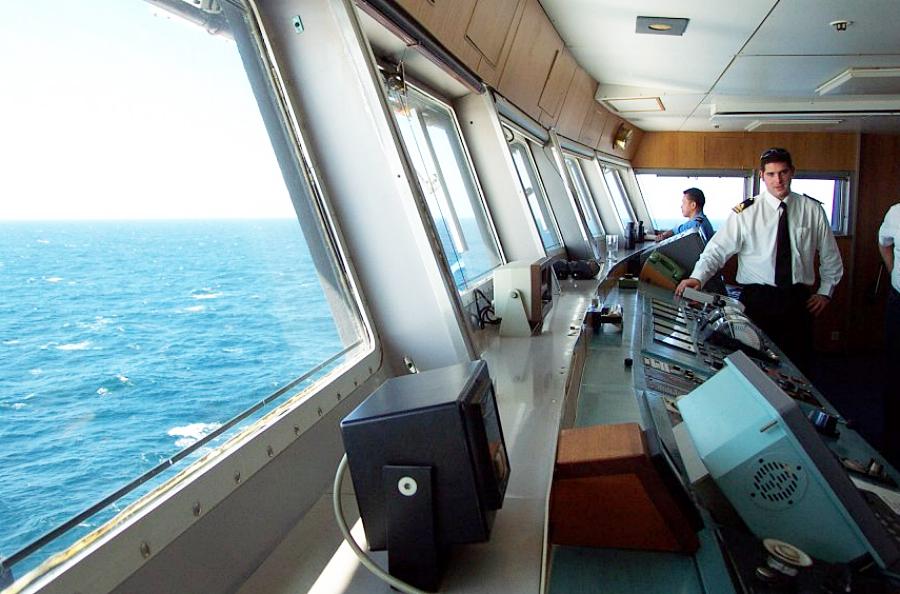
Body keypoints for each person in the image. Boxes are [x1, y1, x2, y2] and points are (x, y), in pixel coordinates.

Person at [675, 147, 843, 374]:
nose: (778, 180)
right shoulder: (746, 212)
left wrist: (825, 291)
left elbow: (831, 256)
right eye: (771, 174)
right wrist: (698, 277)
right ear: (762, 175)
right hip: (758, 300)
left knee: (798, 368)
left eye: (783, 173)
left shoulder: (812, 210)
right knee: (753, 367)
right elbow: (716, 250)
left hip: (796, 300)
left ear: (792, 172)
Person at [878, 203, 900, 462]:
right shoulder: (896, 213)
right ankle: (891, 444)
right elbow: (884, 243)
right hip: (899, 302)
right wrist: (894, 271)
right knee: (895, 371)